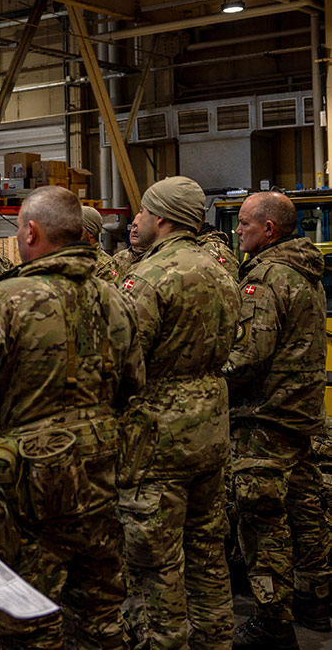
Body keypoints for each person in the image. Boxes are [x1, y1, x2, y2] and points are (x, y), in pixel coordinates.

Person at [0, 186, 144, 649]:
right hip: (99, 484)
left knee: (27, 622)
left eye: (19, 228)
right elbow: (135, 388)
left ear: (31, 232)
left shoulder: (8, 300)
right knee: (100, 618)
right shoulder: (115, 300)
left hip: (27, 494)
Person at [117, 176, 240, 650]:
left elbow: (124, 360)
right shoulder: (220, 271)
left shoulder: (149, 277)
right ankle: (215, 638)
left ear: (162, 219)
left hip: (158, 437)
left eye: (144, 212)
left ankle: (163, 641)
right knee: (208, 549)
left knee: (156, 561)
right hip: (211, 428)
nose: (138, 220)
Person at [223, 191, 332, 647]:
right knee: (306, 509)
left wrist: (206, 376)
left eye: (245, 223)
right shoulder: (307, 269)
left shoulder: (266, 277)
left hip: (264, 418)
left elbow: (249, 355)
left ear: (269, 229)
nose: (237, 230)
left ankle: (272, 620)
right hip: (302, 412)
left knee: (261, 517)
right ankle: (316, 600)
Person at [79, 205, 119, 282]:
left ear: (91, 232)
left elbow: (109, 292)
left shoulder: (106, 266)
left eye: (78, 227)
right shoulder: (72, 257)